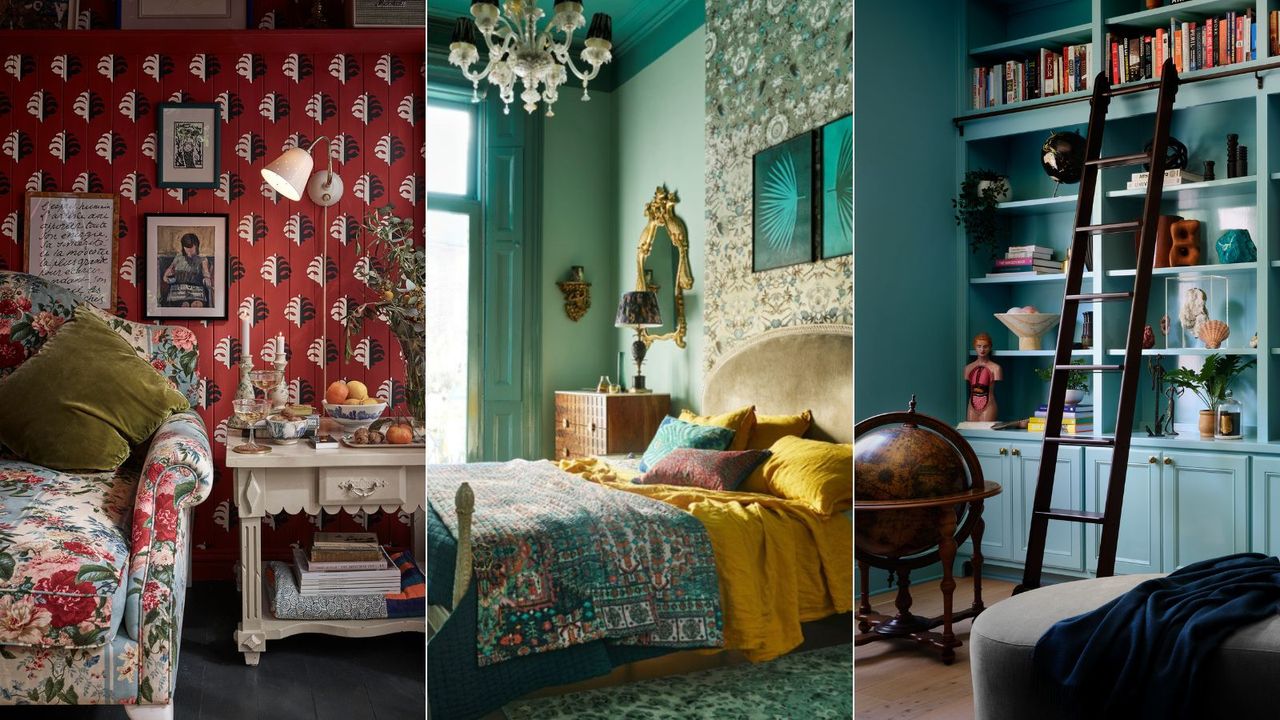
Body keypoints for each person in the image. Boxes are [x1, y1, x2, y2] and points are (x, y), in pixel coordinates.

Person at [162, 233, 213, 307]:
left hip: (197, 292)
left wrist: (207, 279)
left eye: (192, 251)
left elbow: (206, 274)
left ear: (197, 247)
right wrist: (166, 276)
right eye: (187, 251)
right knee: (183, 305)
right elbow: (168, 271)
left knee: (197, 305)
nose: (189, 254)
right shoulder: (178, 257)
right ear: (183, 248)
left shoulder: (202, 260)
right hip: (179, 291)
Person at [964, 331, 1002, 422]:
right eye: (979, 346)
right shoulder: (968, 368)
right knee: (971, 433)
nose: (982, 350)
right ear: (975, 347)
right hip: (971, 406)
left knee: (986, 432)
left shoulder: (996, 368)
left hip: (989, 406)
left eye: (985, 346)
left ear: (990, 347)